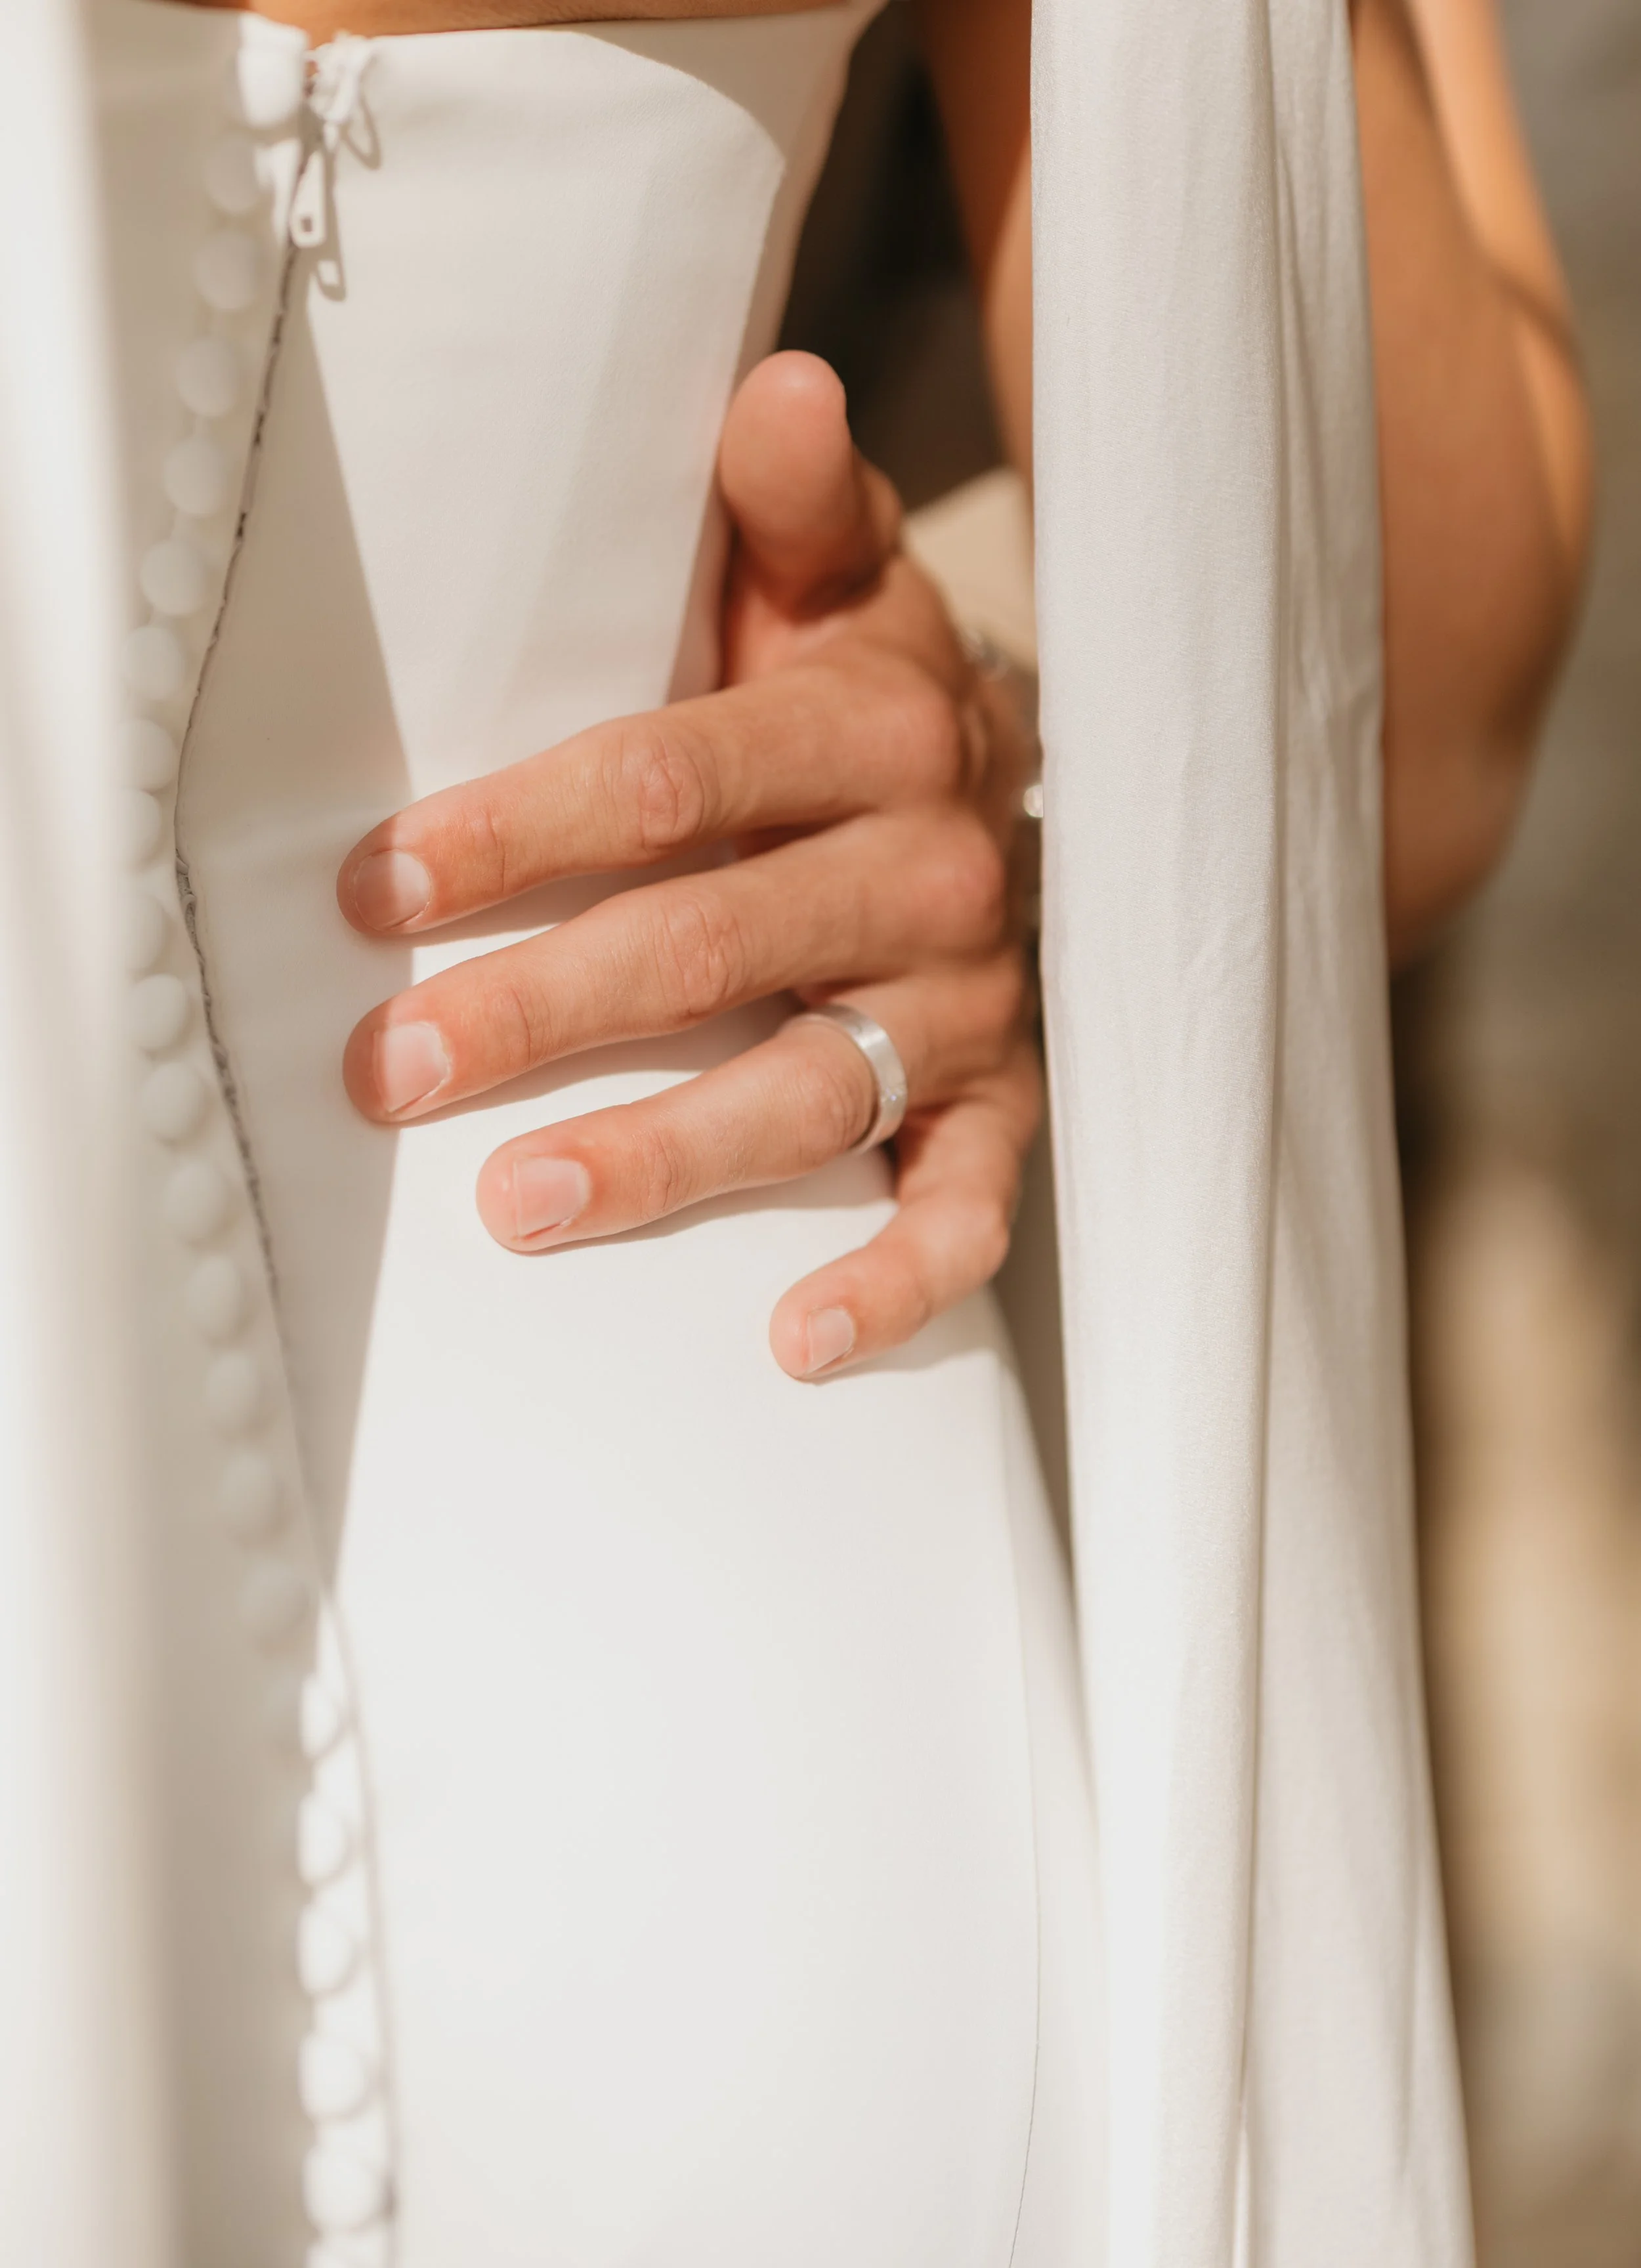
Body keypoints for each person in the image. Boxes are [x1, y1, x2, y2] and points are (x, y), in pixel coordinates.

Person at [0, 1, 1587, 2265]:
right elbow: (1402, 719)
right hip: (698, 1651)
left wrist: (995, 715)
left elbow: (1398, 733)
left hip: (682, 1661)